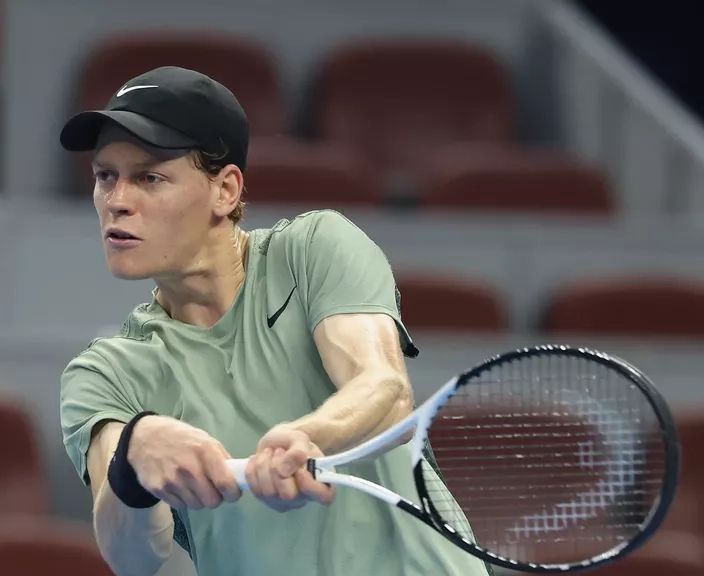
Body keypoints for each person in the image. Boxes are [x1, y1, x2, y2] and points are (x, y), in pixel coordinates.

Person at [58, 66, 491, 576]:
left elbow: (387, 394)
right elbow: (131, 558)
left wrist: (309, 436)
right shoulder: (104, 373)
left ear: (225, 190)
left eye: (149, 178)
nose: (117, 202)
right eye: (105, 176)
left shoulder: (314, 249)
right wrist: (132, 457)